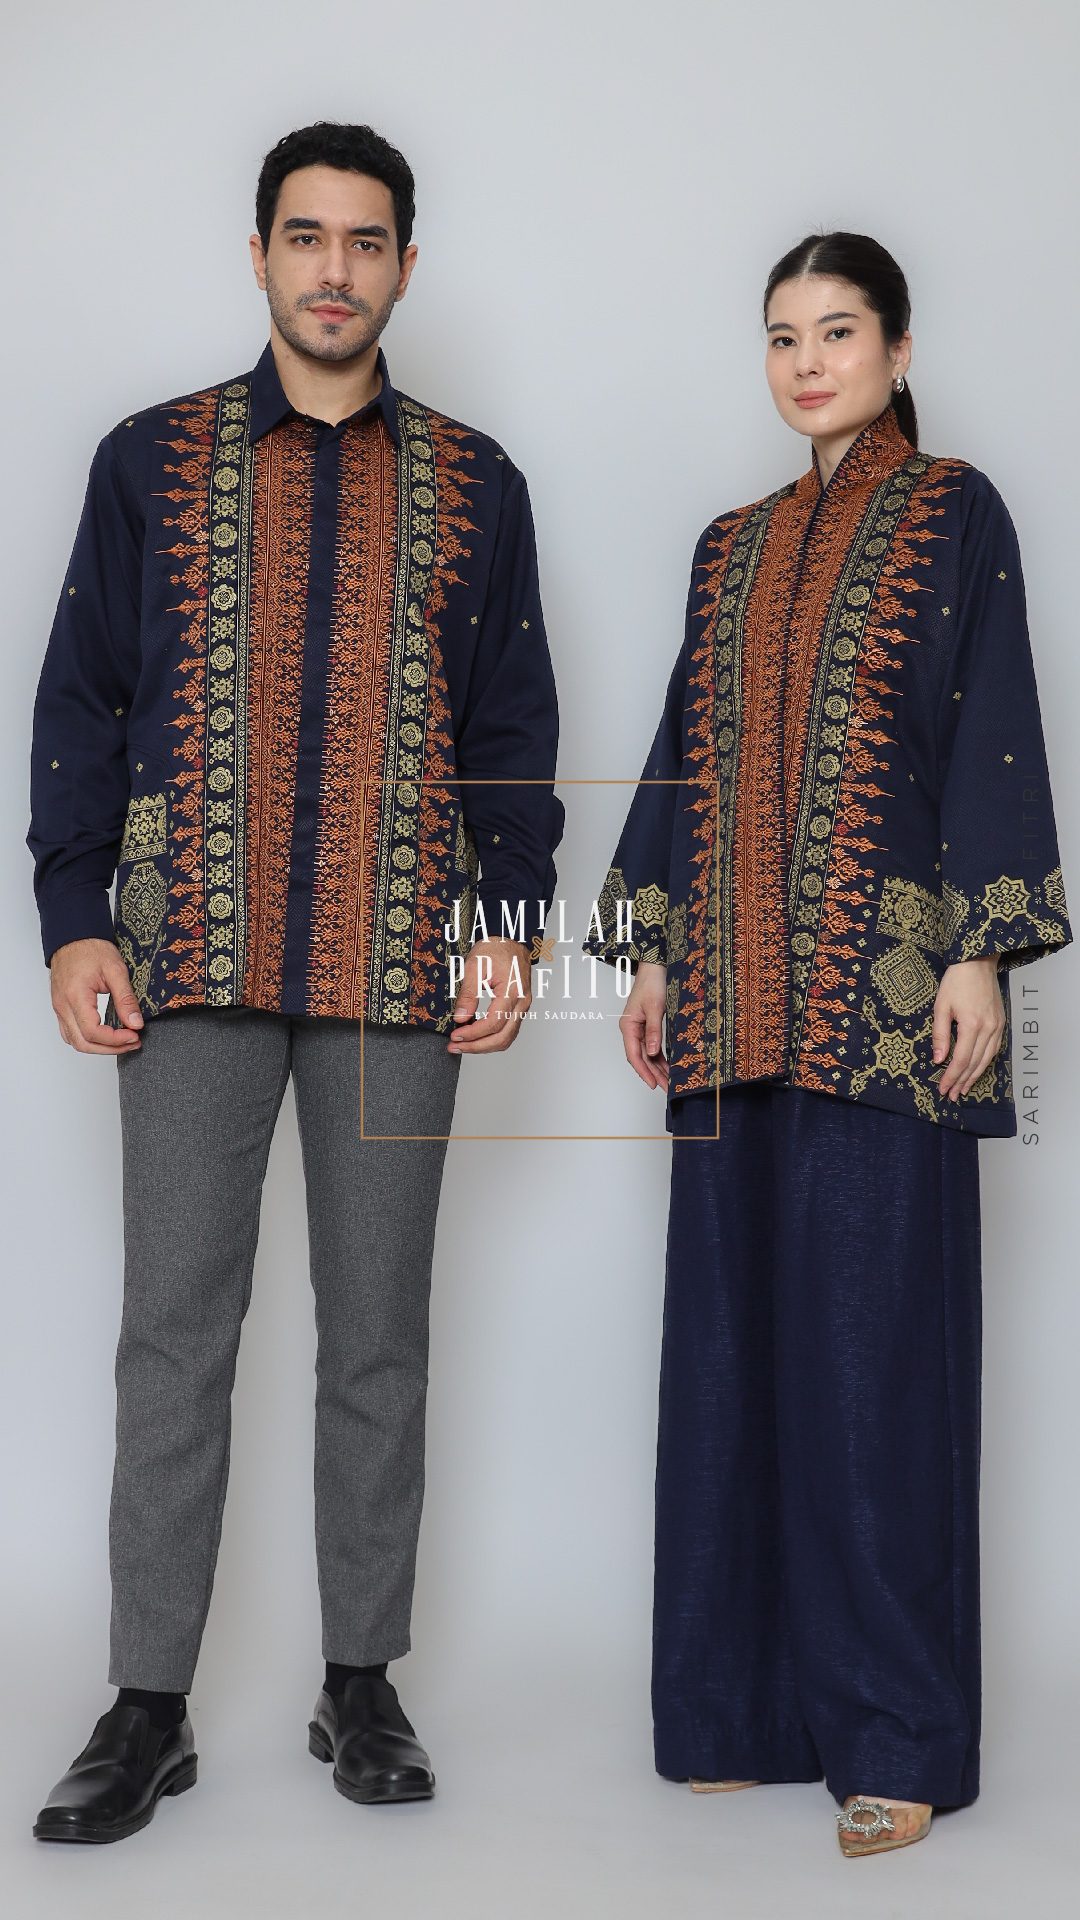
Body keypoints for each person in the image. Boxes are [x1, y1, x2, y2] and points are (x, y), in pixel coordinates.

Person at [29, 120, 562, 1844]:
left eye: (367, 240)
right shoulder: (148, 461)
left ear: (406, 265)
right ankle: (147, 1703)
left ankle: (360, 1680)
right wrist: (73, 913)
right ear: (258, 254)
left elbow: (511, 726)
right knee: (173, 1336)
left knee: (379, 1336)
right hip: (185, 955)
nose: (336, 269)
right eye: (307, 236)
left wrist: (512, 921)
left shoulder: (479, 483)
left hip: (401, 964)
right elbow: (81, 698)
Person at [586, 232, 1069, 1856]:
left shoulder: (957, 515)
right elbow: (682, 749)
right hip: (730, 997)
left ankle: (897, 1735)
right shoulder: (729, 546)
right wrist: (654, 950)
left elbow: (993, 725)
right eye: (784, 336)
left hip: (889, 998)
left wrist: (983, 952)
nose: (808, 363)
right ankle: (739, 1710)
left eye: (839, 332)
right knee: (729, 1359)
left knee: (873, 1363)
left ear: (900, 347)